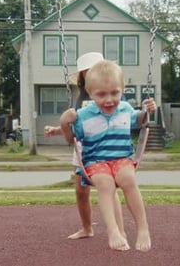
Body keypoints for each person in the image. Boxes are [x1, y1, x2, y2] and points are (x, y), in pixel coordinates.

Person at [59, 60, 155, 252]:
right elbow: (71, 139)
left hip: (122, 158)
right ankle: (113, 231)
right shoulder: (83, 115)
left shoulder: (126, 108)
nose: (109, 99)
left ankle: (143, 228)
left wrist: (147, 110)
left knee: (128, 179)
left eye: (114, 93)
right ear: (90, 93)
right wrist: (63, 123)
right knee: (106, 185)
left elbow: (140, 121)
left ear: (122, 90)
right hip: (96, 162)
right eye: (101, 95)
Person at [44, 52, 125, 240]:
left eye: (93, 70)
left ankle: (120, 232)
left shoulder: (109, 92)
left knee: (108, 189)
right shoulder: (81, 97)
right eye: (86, 72)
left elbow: (121, 117)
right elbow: (78, 124)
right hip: (82, 148)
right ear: (82, 76)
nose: (90, 74)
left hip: (104, 146)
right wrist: (58, 129)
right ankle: (87, 229)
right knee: (81, 190)